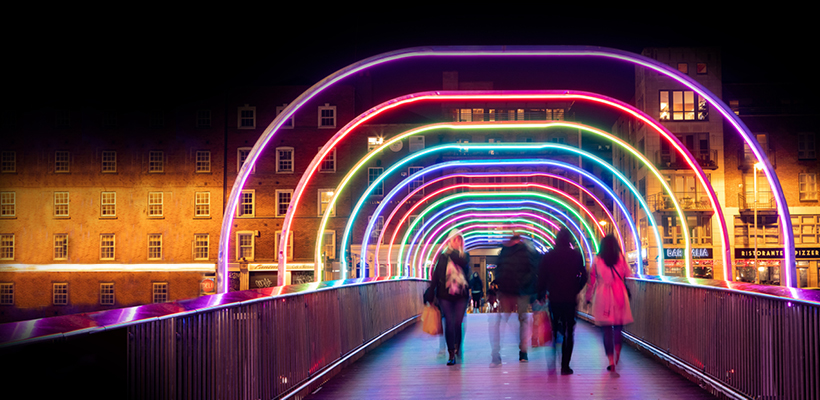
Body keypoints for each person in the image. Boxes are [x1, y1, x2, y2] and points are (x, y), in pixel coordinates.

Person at [536, 227, 588, 375]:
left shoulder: (549, 256)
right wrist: (576, 288)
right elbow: (584, 276)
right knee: (569, 331)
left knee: (553, 330)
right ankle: (565, 366)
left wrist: (541, 294)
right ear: (570, 240)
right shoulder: (576, 255)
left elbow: (542, 277)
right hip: (570, 298)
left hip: (554, 298)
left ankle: (551, 362)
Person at [585, 234, 633, 377]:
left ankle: (611, 361)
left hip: (603, 296)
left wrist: (588, 297)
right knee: (618, 326)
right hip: (619, 295)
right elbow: (628, 274)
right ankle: (618, 352)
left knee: (606, 330)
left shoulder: (597, 260)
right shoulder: (621, 259)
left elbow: (592, 280)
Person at [491, 232, 539, 365]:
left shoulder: (509, 251)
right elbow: (533, 268)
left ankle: (500, 352)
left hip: (516, 291)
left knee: (504, 322)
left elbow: (499, 269)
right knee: (519, 320)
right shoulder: (519, 251)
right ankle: (521, 351)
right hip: (515, 291)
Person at [427, 228, 470, 366]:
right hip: (445, 294)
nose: (457, 241)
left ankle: (458, 346)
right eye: (455, 239)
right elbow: (436, 275)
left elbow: (463, 265)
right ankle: (451, 353)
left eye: (460, 239)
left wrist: (454, 252)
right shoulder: (443, 256)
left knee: (458, 322)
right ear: (450, 241)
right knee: (449, 323)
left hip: (461, 294)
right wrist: (431, 292)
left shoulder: (465, 256)